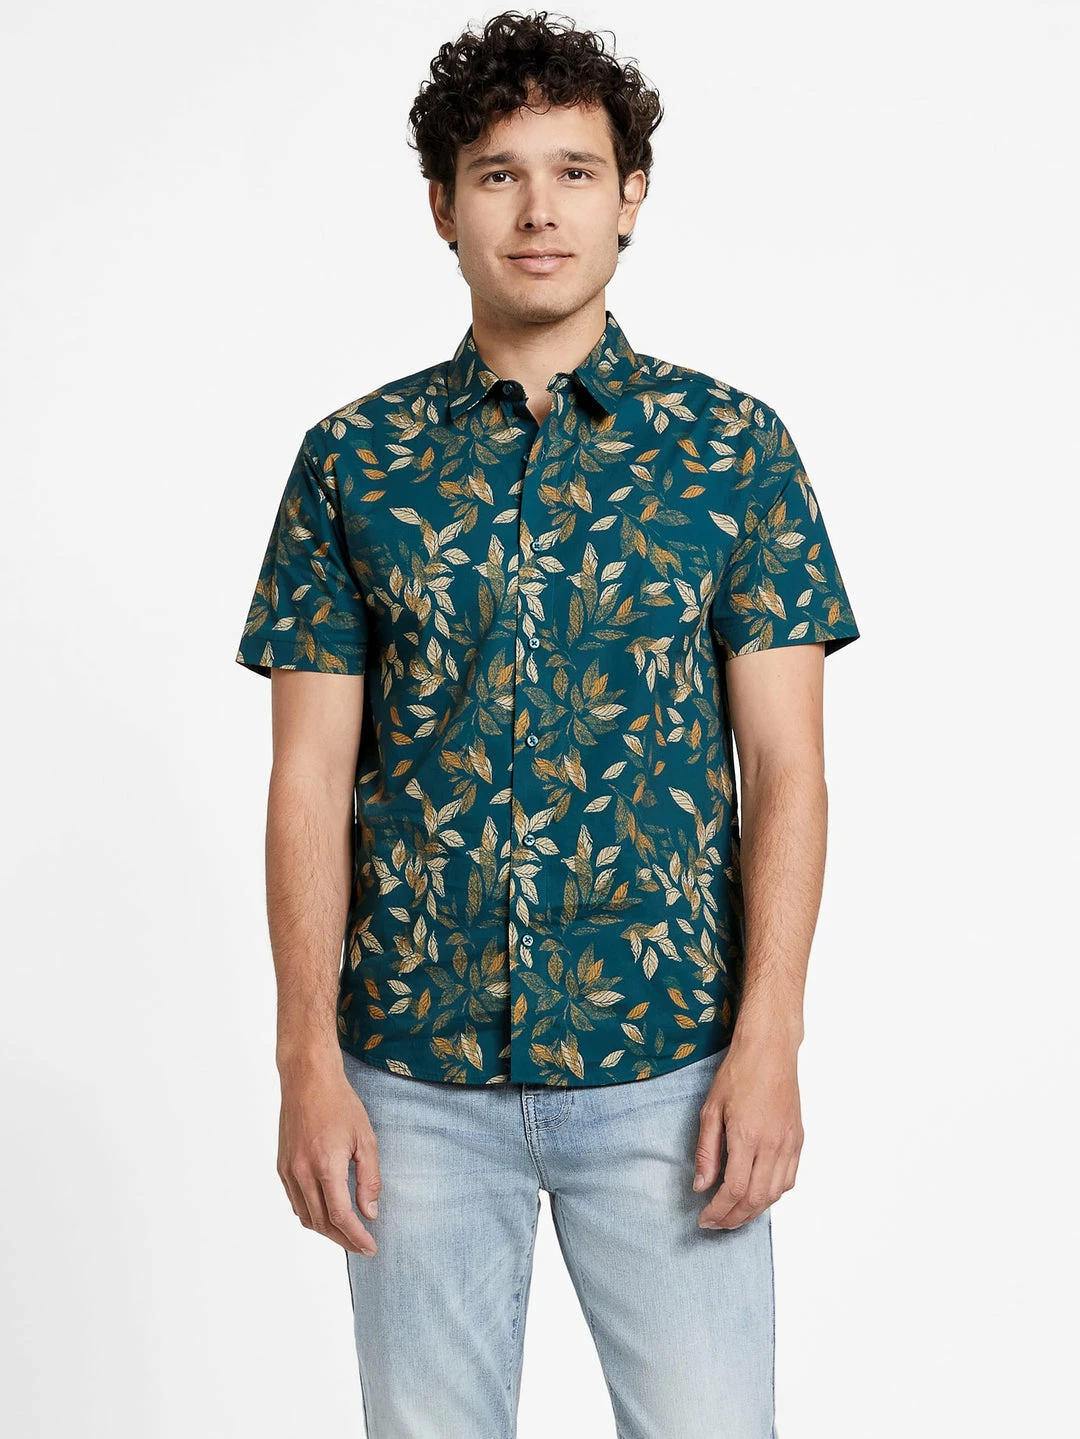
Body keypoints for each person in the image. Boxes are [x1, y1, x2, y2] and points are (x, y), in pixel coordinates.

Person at [234, 10, 860, 1437]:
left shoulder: (734, 450)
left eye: (575, 171)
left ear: (630, 196)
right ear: (442, 205)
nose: (538, 210)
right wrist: (305, 1062)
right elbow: (307, 778)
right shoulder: (351, 462)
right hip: (411, 1078)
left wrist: (772, 1038)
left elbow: (788, 769)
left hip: (672, 1068)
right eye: (499, 173)